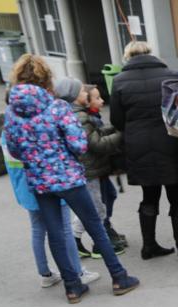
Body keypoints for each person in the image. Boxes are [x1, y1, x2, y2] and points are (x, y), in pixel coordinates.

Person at [2, 55, 139, 303]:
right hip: (68, 178)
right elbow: (79, 143)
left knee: (55, 233)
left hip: (40, 181)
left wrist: (35, 158)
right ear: (45, 78)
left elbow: (13, 149)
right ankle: (119, 277)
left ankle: (72, 287)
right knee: (95, 227)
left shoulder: (12, 112)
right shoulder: (57, 107)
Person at [111, 41, 178, 263]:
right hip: (171, 142)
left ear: (127, 56)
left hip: (138, 144)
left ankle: (148, 246)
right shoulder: (169, 75)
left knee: (149, 197)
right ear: (151, 53)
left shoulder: (119, 81)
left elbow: (116, 120)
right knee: (177, 197)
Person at [3, 135, 99, 288]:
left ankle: (45, 274)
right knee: (65, 228)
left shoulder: (7, 132)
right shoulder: (33, 125)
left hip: (24, 189)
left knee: (37, 230)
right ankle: (78, 271)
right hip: (50, 185)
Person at [51, 78, 126, 258]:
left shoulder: (79, 114)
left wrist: (112, 130)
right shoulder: (79, 116)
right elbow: (96, 144)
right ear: (75, 96)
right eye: (82, 92)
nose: (85, 93)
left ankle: (82, 241)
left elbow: (95, 134)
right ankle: (99, 245)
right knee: (95, 209)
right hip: (88, 170)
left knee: (94, 207)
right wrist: (122, 134)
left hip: (90, 169)